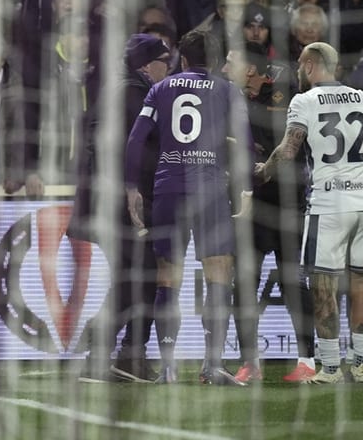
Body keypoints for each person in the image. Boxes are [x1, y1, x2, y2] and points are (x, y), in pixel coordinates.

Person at [256, 41, 363, 384]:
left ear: (312, 65)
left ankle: (330, 368)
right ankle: (359, 364)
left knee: (323, 286)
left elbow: (288, 150)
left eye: (302, 65)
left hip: (329, 203)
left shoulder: (304, 100)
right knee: (361, 282)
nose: (300, 71)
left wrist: (263, 171)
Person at [124, 30, 252, 385]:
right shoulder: (228, 90)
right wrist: (246, 189)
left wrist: (132, 187)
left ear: (182, 58)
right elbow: (245, 141)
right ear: (214, 60)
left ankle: (167, 368)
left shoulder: (160, 88)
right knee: (219, 274)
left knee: (168, 278)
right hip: (210, 191)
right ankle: (212, 366)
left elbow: (135, 140)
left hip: (169, 189)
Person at [223, 42, 316, 384]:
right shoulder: (230, 98)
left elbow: (288, 148)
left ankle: (307, 361)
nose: (223, 69)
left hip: (289, 203)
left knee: (295, 282)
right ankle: (250, 362)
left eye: (230, 62)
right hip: (250, 204)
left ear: (250, 69)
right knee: (244, 283)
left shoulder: (289, 96)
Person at [82, 34, 170, 382]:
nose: (171, 67)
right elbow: (125, 149)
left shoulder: (120, 89)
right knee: (141, 278)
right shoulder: (134, 93)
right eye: (165, 61)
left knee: (135, 278)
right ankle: (119, 353)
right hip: (125, 204)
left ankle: (112, 355)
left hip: (115, 201)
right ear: (147, 65)